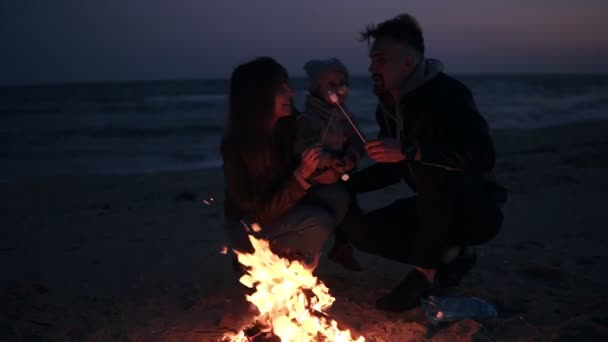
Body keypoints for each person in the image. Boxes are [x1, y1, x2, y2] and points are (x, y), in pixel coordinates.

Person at [339, 14, 508, 312]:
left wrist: (410, 150)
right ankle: (450, 256)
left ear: (408, 62)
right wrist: (346, 181)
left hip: (474, 208)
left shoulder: (448, 95)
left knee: (432, 173)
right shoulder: (390, 106)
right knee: (361, 232)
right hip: (431, 209)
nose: (371, 68)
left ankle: (425, 273)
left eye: (380, 59)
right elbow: (394, 167)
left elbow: (482, 155)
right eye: (371, 60)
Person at [220, 56, 334, 270]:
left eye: (288, 86)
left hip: (279, 213)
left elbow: (318, 135)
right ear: (259, 98)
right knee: (318, 222)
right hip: (250, 229)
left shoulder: (286, 126)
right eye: (282, 89)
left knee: (336, 197)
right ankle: (269, 269)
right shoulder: (236, 145)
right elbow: (259, 213)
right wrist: (301, 177)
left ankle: (295, 263)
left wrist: (331, 166)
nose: (291, 93)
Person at [293, 58, 365, 271]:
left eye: (342, 83)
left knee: (349, 206)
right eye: (330, 84)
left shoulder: (345, 115)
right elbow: (302, 149)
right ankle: (305, 252)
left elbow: (357, 140)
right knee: (326, 211)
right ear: (316, 88)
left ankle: (343, 247)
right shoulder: (309, 118)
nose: (338, 89)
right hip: (317, 176)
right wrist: (330, 160)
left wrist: (352, 156)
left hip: (342, 171)